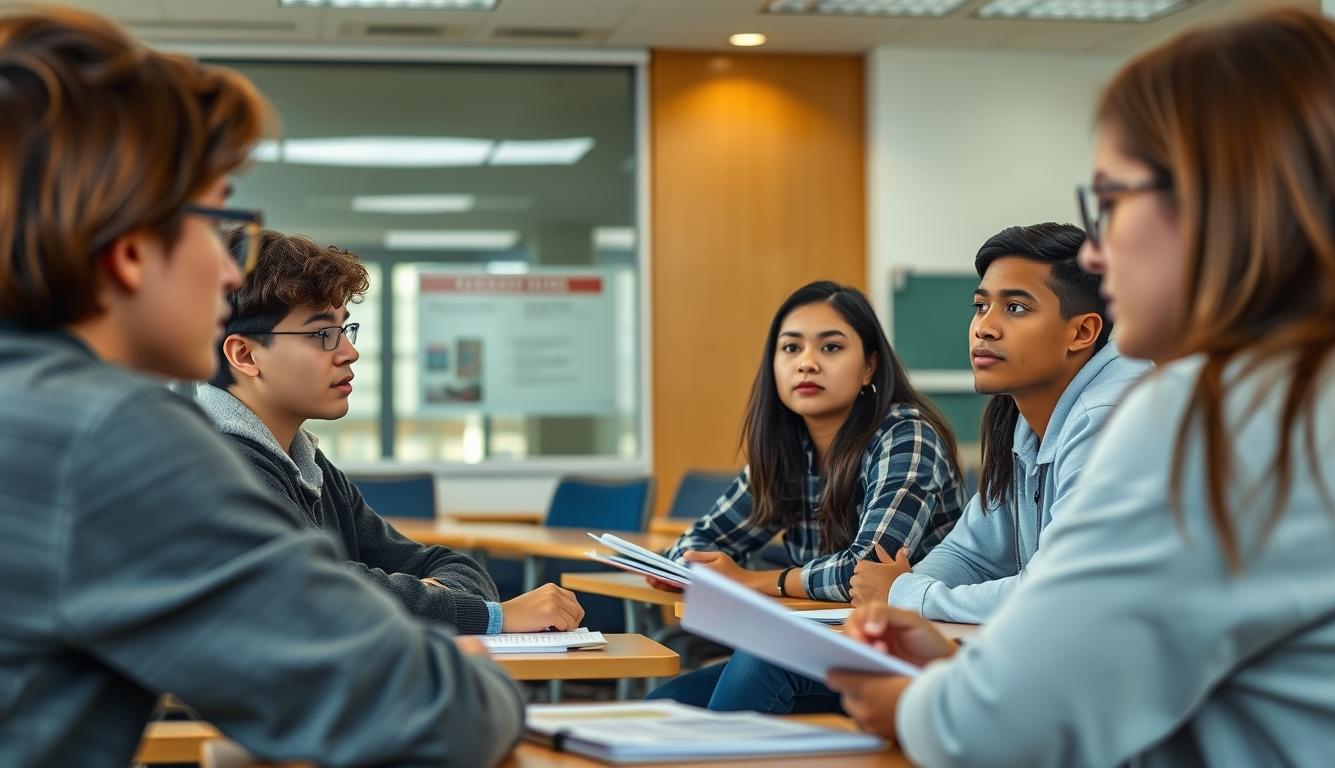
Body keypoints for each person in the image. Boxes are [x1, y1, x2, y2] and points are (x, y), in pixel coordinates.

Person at [0, 9, 521, 767]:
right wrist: (477, 676)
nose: (232, 269)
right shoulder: (106, 436)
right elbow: (431, 712)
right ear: (132, 245)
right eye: (220, 224)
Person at [827, 10, 1335, 766]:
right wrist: (970, 671)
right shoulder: (1298, 396)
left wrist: (915, 699)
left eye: (1109, 203)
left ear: (1215, 200)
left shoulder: (1214, 416)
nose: (1096, 256)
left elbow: (1011, 725)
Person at [200, 227, 584, 634]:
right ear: (244, 355)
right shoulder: (218, 467)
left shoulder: (307, 466)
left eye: (344, 329)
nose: (350, 352)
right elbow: (320, 596)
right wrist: (494, 615)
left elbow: (453, 567)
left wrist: (416, 597)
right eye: (321, 334)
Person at [647, 280, 964, 711]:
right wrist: (686, 565)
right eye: (791, 349)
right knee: (667, 700)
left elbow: (866, 570)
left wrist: (749, 582)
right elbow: (705, 538)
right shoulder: (788, 448)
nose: (807, 363)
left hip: (906, 651)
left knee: (758, 665)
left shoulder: (906, 435)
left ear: (869, 366)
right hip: (822, 640)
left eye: (830, 348)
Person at [847, 223, 1148, 622]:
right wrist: (899, 593)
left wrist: (906, 594)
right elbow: (969, 554)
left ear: (1082, 332)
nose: (984, 327)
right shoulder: (1024, 421)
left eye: (1016, 308)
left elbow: (1064, 593)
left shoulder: (1114, 418)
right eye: (980, 306)